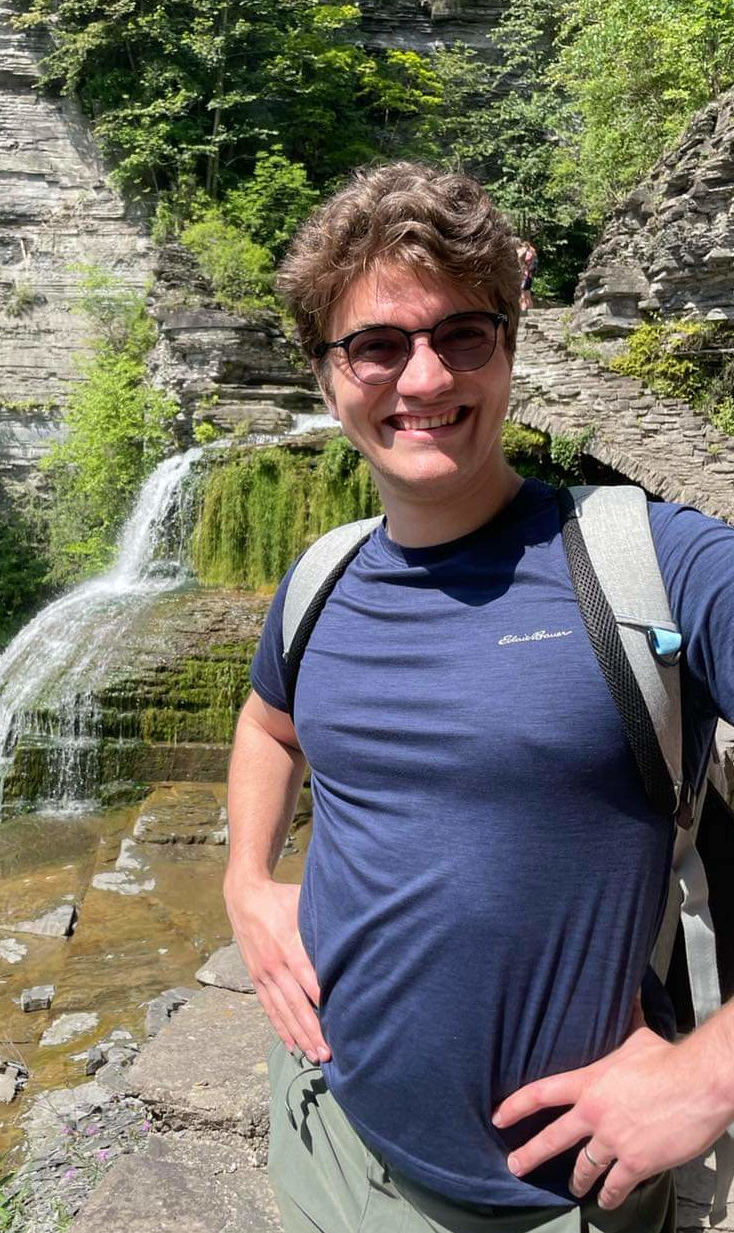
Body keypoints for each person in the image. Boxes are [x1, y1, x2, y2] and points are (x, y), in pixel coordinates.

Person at [223, 162, 734, 1233]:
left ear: (510, 344)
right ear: (325, 372)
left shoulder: (655, 562)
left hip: (554, 1202)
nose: (422, 379)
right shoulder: (321, 581)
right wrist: (246, 879)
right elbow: (270, 723)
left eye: (463, 334)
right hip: (322, 1132)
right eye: (377, 344)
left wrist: (710, 1075)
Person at [518, 238, 537, 312]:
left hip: (525, 275)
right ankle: (531, 310)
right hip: (529, 276)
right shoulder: (532, 254)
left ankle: (523, 310)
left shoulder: (527, 254)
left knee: (522, 294)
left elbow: (521, 260)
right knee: (527, 294)